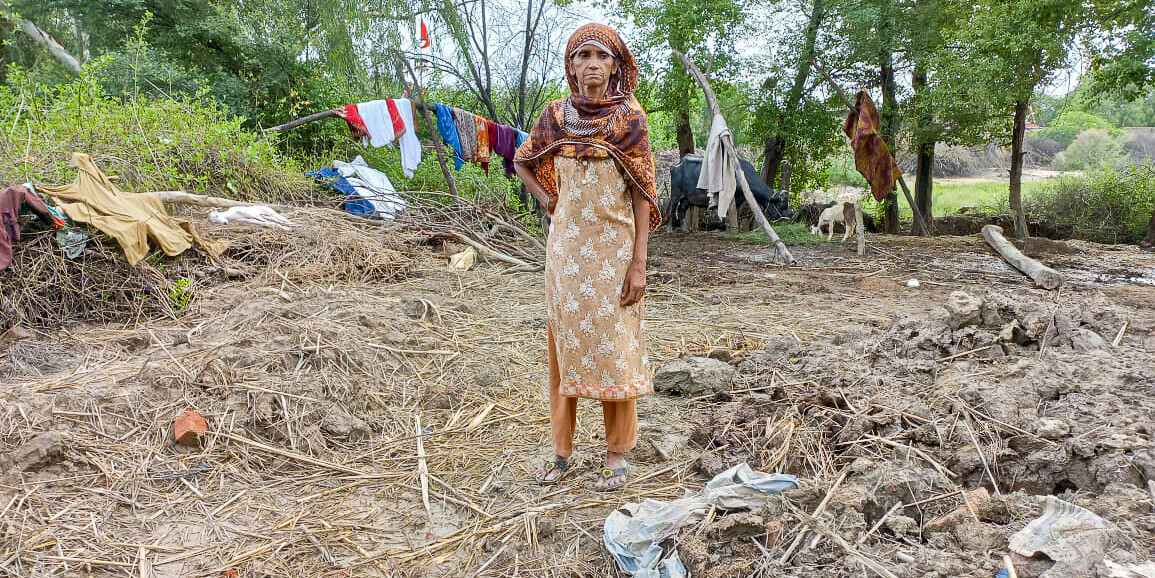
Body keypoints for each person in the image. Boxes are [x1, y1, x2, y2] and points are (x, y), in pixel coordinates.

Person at [513, 23, 661, 491]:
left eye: (601, 56)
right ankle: (561, 451)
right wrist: (546, 198)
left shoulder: (629, 119)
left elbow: (642, 195)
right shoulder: (555, 117)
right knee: (564, 347)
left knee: (615, 348)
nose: (592, 64)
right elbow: (521, 159)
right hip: (566, 254)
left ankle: (617, 454)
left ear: (616, 65)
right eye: (583, 56)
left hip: (615, 255)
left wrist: (639, 262)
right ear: (571, 66)